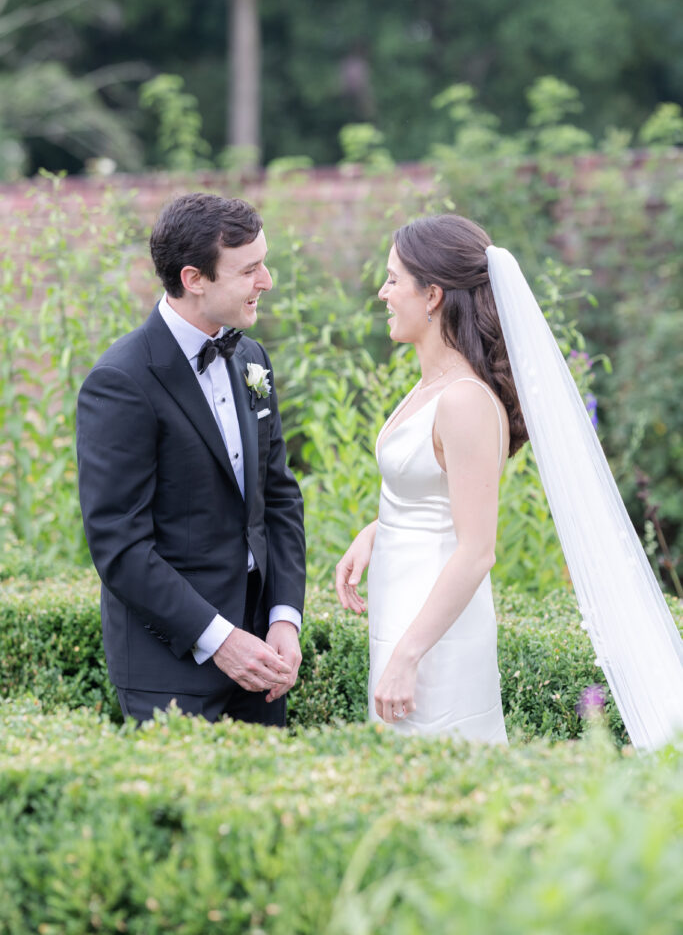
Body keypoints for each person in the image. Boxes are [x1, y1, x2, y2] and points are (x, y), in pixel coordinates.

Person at [336, 214, 683, 750]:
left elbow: (476, 550)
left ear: (432, 295)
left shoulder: (465, 401)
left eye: (392, 279)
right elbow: (431, 500)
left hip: (434, 640)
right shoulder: (432, 387)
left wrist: (409, 656)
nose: (382, 293)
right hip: (402, 613)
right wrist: (375, 532)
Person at [77, 193, 306, 725]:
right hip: (170, 666)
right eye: (249, 269)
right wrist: (221, 640)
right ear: (194, 277)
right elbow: (119, 546)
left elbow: (278, 496)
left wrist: (284, 618)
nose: (266, 280)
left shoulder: (250, 356)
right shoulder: (121, 381)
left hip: (263, 657)